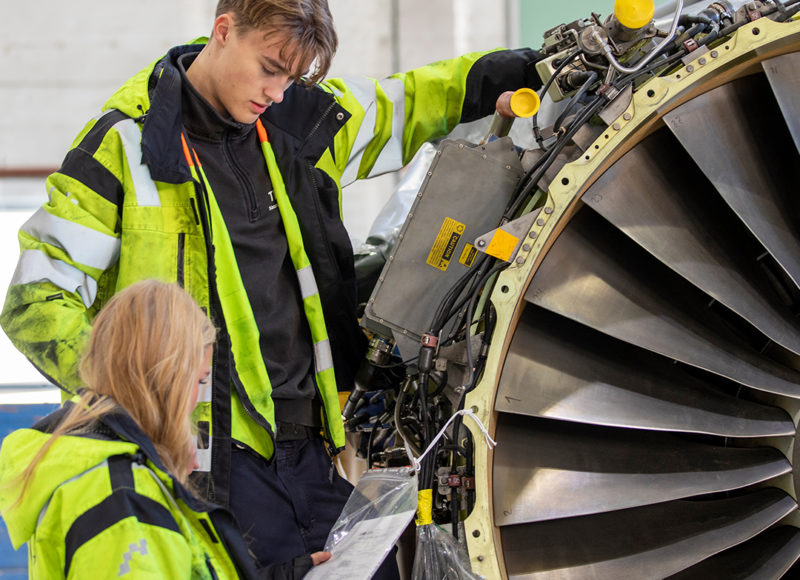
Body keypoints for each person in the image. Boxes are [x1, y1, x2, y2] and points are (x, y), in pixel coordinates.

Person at [0, 0, 543, 573]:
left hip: (306, 449)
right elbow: (33, 303)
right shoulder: (128, 146)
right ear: (223, 30)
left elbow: (409, 102)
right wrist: (139, 397)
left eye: (292, 77)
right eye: (268, 68)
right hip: (205, 458)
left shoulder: (298, 127)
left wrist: (532, 65)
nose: (277, 92)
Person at [0, 279, 329, 578]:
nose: (193, 403)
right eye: (198, 381)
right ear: (167, 378)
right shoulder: (124, 499)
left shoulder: (99, 472)